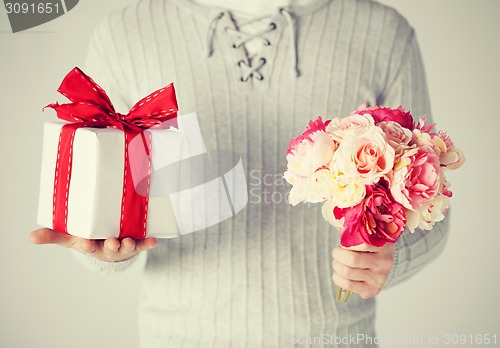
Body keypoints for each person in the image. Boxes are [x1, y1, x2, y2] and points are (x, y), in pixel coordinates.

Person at [31, 0, 449, 346]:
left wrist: (388, 259)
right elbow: (101, 209)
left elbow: (430, 210)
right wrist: (99, 250)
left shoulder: (384, 34)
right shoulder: (125, 32)